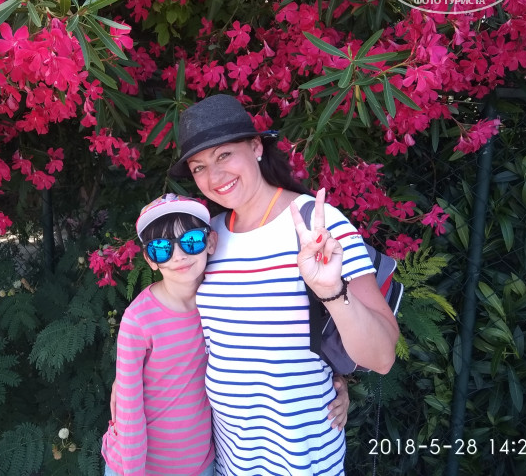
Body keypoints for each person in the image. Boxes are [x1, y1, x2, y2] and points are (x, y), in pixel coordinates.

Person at [166, 94, 399, 476]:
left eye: (224, 155)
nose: (215, 176)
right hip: (230, 461)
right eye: (199, 167)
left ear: (256, 147)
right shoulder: (208, 239)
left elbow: (382, 357)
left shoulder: (317, 224)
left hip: (300, 461)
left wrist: (332, 292)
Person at [101, 194, 218, 476]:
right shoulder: (138, 320)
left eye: (191, 241)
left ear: (211, 242)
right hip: (139, 467)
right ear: (150, 260)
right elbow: (129, 410)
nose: (178, 255)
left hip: (200, 465)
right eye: (162, 248)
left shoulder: (220, 302)